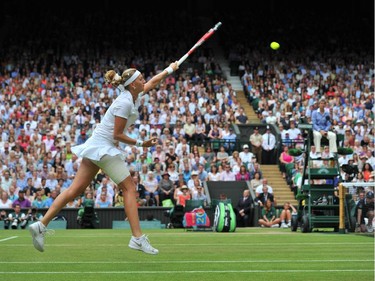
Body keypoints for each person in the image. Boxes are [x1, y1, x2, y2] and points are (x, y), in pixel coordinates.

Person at [29, 61, 179, 255]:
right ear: (133, 84)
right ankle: (137, 238)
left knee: (75, 190)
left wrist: (169, 69)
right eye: (141, 78)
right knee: (129, 188)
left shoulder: (134, 93)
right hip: (104, 148)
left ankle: (41, 225)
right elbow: (117, 135)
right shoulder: (125, 102)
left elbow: (154, 82)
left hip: (96, 145)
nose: (145, 80)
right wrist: (142, 144)